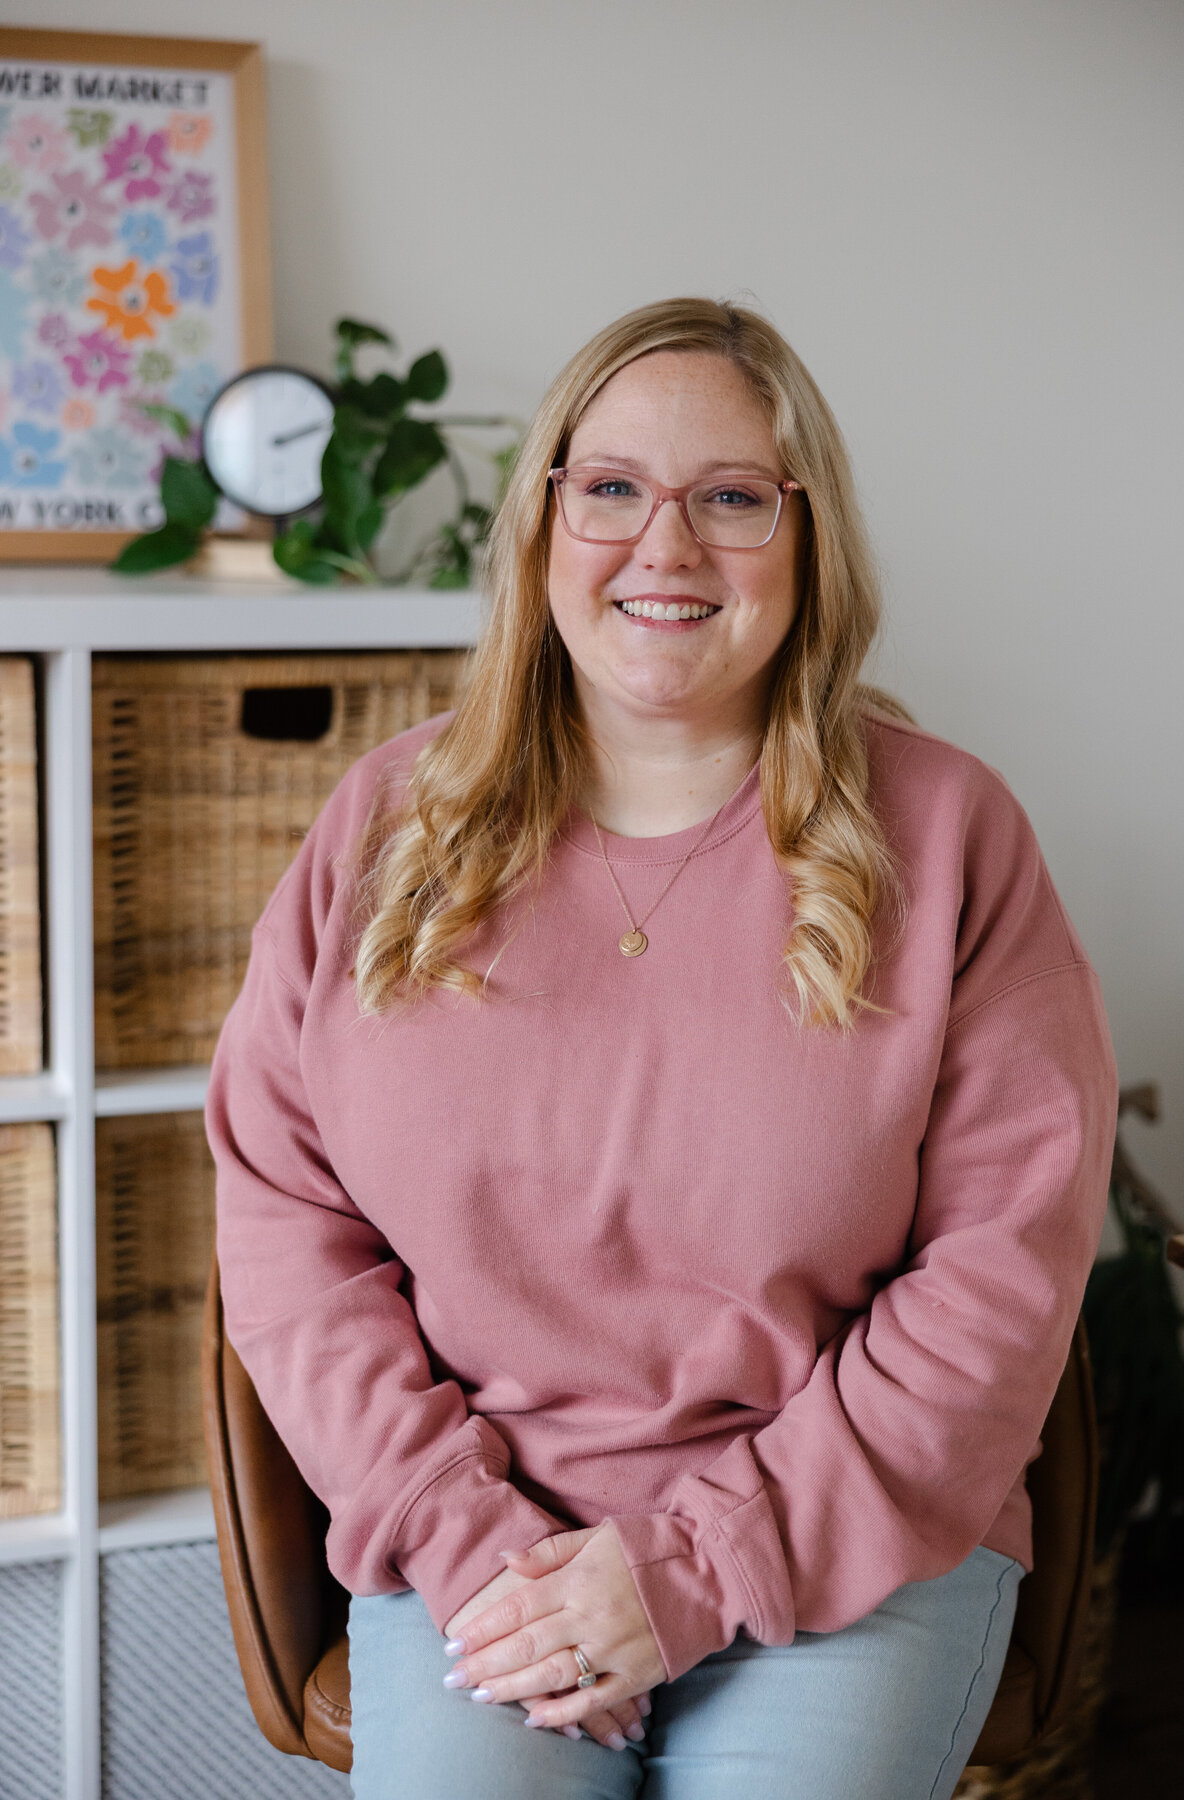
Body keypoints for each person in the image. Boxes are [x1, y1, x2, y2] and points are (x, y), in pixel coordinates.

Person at [204, 296, 1119, 1800]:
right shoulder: (383, 825)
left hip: (851, 1539)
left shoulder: (951, 836)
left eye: (734, 499)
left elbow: (1001, 1278)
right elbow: (287, 1225)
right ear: (545, 522)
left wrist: (701, 1567)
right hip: (482, 1547)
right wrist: (467, 1536)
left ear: (809, 538)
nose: (666, 547)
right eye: (613, 489)